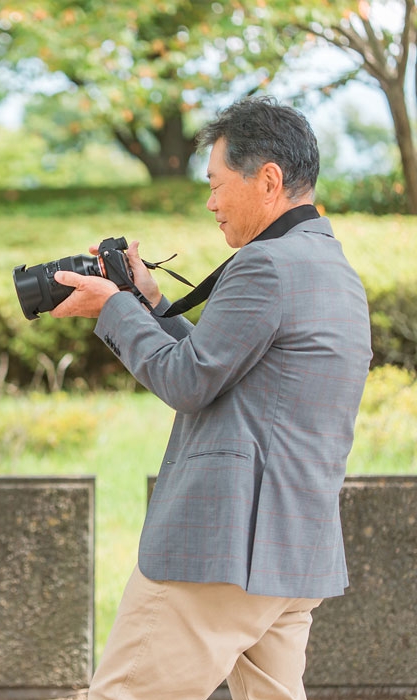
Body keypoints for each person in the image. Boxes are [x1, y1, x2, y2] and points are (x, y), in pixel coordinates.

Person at [50, 96, 372, 700]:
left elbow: (188, 382)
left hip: (222, 549)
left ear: (268, 180)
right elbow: (221, 368)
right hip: (291, 552)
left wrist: (113, 307)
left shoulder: (266, 266)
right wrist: (146, 301)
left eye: (217, 184)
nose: (210, 202)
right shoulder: (330, 267)